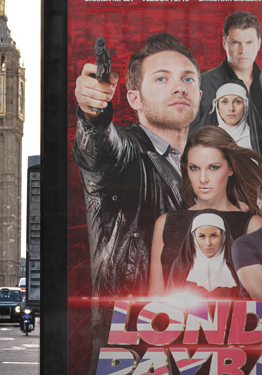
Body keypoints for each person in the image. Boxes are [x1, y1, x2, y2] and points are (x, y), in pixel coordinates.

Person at [73, 30, 201, 298]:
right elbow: (99, 145)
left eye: (187, 78)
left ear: (199, 95)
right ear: (134, 99)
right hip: (130, 329)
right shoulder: (126, 155)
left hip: (196, 326)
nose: (179, 87)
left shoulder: (209, 165)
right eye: (161, 78)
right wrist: (93, 111)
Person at [148, 126, 262, 296]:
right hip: (176, 321)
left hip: (239, 321)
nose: (203, 179)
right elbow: (155, 299)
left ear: (230, 169)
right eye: (194, 168)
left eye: (213, 167)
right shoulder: (165, 223)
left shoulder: (254, 226)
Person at [195, 11, 262, 139]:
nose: (243, 51)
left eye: (249, 42)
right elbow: (191, 139)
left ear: (259, 43)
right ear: (224, 43)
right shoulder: (201, 84)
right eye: (236, 42)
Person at [164, 213, 239, 300]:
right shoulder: (180, 267)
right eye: (202, 236)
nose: (208, 243)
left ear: (223, 236)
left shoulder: (237, 265)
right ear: (194, 237)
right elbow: (171, 305)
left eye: (214, 235)